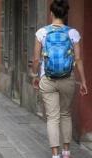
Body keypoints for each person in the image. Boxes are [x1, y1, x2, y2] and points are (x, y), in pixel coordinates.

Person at [32, 0, 88, 158]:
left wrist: (35, 76)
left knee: (52, 117)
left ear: (51, 13)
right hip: (67, 78)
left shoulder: (41, 32)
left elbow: (36, 59)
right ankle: (66, 151)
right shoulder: (73, 33)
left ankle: (55, 154)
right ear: (66, 14)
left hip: (47, 78)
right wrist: (83, 81)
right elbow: (78, 59)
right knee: (65, 114)